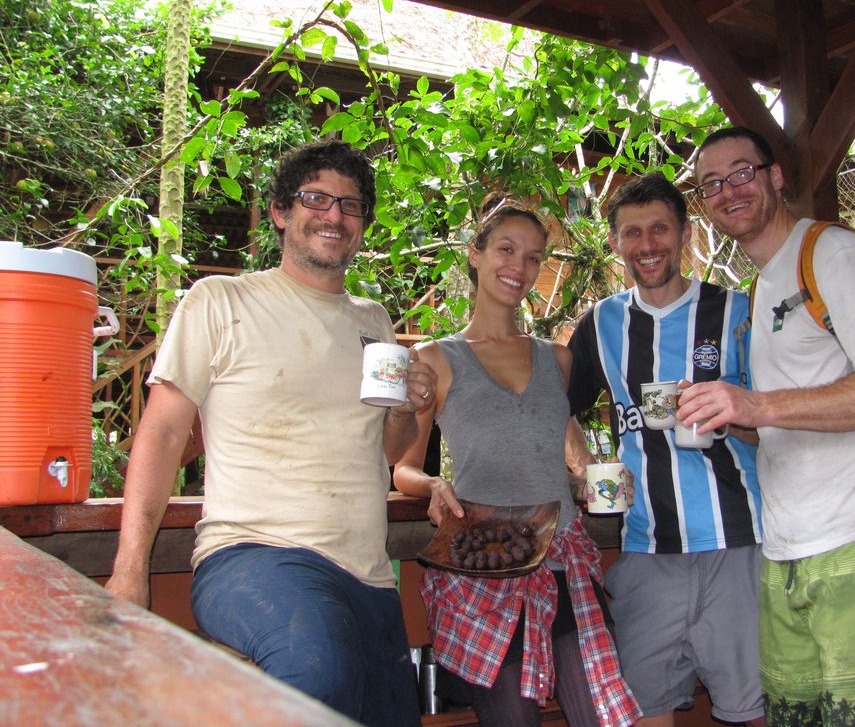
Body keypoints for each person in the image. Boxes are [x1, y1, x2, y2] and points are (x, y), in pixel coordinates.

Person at [105, 140, 436, 726]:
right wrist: (131, 570)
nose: (334, 215)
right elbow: (158, 439)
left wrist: (409, 409)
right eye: (317, 199)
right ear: (282, 211)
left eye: (351, 205)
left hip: (369, 577)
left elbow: (384, 452)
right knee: (316, 671)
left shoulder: (374, 321)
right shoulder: (220, 300)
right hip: (254, 557)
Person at [684, 126, 855, 726]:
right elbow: (788, 415)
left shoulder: (834, 254)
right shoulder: (764, 285)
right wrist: (729, 419)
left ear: (776, 177)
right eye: (711, 183)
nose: (727, 191)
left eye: (742, 172)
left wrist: (759, 407)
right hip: (786, 549)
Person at [393, 196, 641, 727]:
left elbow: (568, 454)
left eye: (533, 257)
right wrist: (434, 484)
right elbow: (404, 468)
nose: (519, 267)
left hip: (564, 562)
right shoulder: (436, 357)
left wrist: (592, 483)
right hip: (485, 565)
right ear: (475, 254)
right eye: (506, 249)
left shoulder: (558, 357)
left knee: (597, 714)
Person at [567, 172, 764, 726]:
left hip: (738, 541)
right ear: (614, 242)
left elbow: (774, 422)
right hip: (646, 550)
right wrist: (584, 470)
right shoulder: (602, 323)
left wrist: (729, 416)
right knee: (643, 711)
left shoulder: (736, 312)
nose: (647, 244)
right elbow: (554, 408)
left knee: (751, 709)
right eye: (632, 233)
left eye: (660, 229)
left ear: (684, 234)